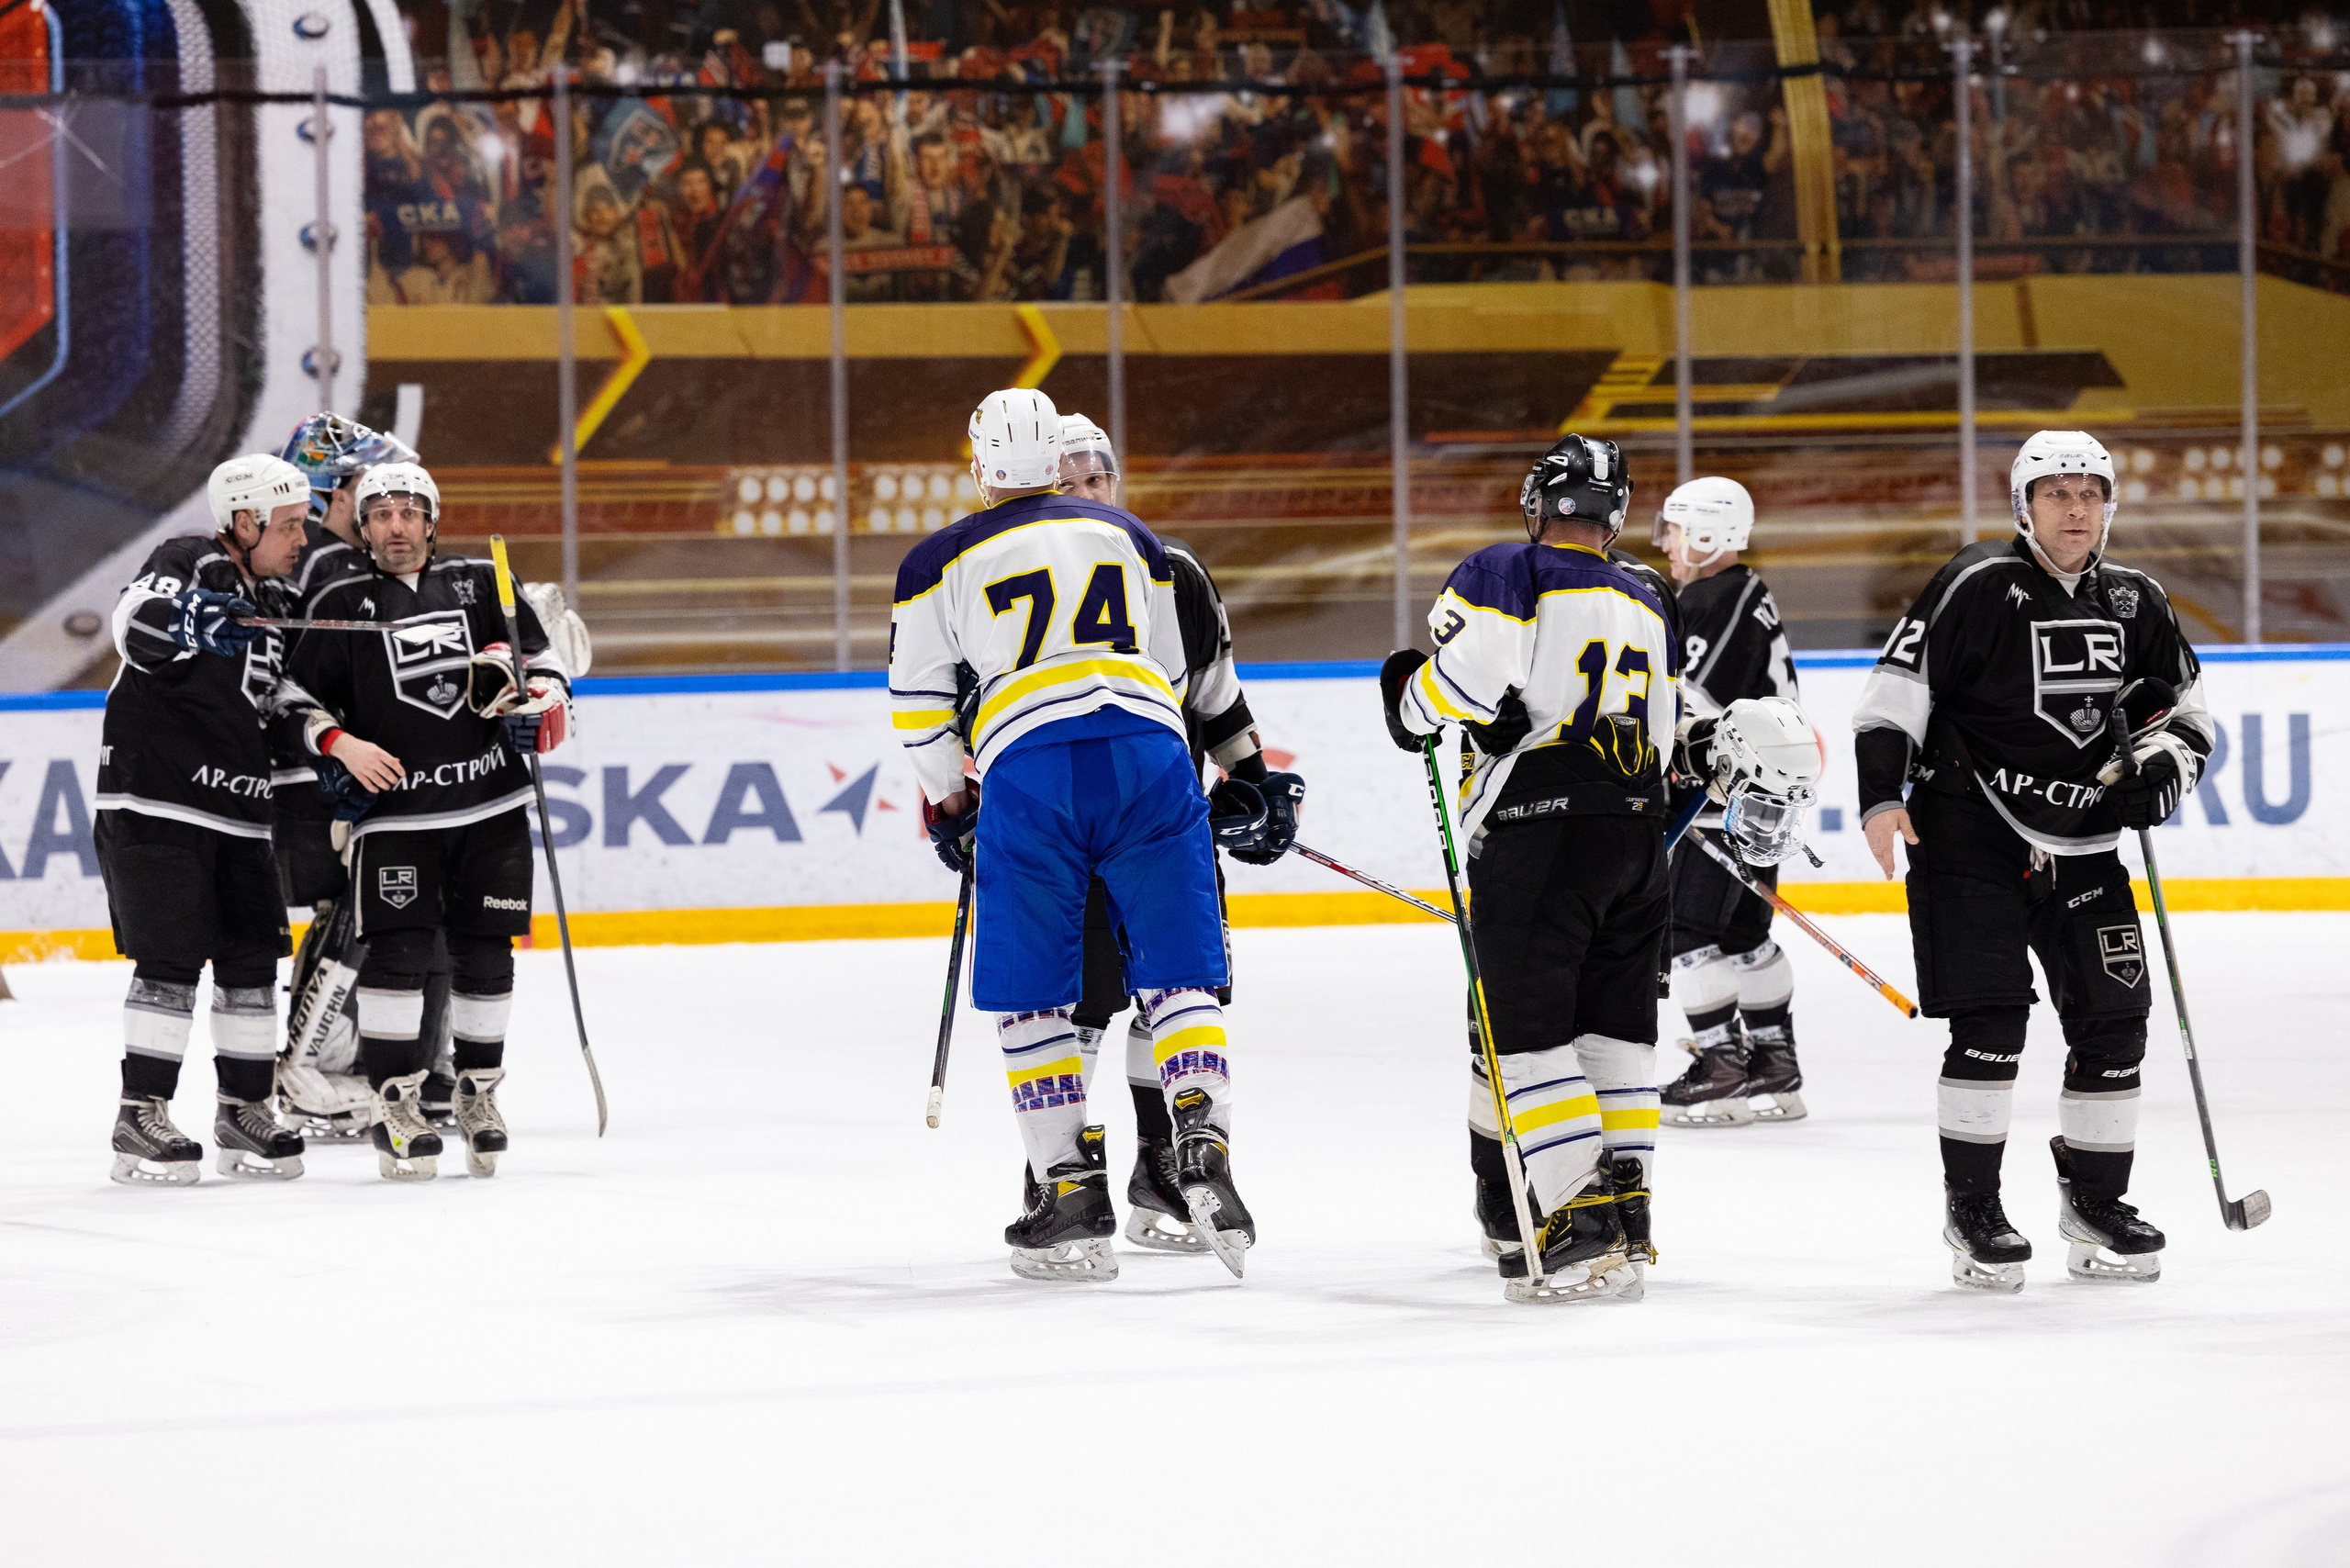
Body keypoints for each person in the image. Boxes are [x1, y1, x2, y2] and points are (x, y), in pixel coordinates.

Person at [889, 389, 1262, 1282]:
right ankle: (1197, 1142)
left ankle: (1068, 1189)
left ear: (979, 467)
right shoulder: (1131, 536)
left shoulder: (937, 558)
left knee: (1035, 995)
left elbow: (917, 710)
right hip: (1148, 751)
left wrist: (952, 800)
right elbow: (1171, 670)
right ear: (1058, 463)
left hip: (1034, 764)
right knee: (1180, 974)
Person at [1854, 430, 2212, 1291]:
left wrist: (2161, 775)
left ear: (2110, 504)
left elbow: (2191, 719)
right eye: (2056, 492)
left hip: (2086, 842)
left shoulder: (2139, 600)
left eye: (2090, 492)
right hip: (1969, 832)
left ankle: (2095, 1201)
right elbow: (1889, 700)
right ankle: (1974, 1208)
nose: (2075, 508)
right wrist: (1881, 798)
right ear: (2023, 504)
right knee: (1988, 1027)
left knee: (2115, 1025)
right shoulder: (1976, 582)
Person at [1381, 432, 1681, 1305]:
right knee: (1617, 1036)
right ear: (1616, 513)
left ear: (1536, 501)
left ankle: (1573, 1223)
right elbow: (1663, 735)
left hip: (1541, 829)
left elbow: (1467, 683)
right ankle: (1626, 1216)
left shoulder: (1506, 568)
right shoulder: (1653, 596)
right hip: (1636, 832)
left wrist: (1411, 698)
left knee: (1526, 1036)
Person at [1050, 412, 1306, 1255]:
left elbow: (1217, 697)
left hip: (1164, 827)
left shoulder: (1174, 571)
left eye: (1100, 480)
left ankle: (1160, 1170)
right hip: (1066, 833)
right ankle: (1058, 1174)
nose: (1090, 496)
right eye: (1071, 482)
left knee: (1181, 994)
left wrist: (1254, 780)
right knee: (1080, 1007)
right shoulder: (1014, 575)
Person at [280, 462, 571, 1182]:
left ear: (432, 521)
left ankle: (477, 1096)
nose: (397, 527)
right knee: (398, 959)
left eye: (410, 512)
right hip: (397, 818)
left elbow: (546, 660)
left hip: (490, 806)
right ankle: (397, 1104)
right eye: (381, 515)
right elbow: (288, 694)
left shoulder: (481, 582)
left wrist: (540, 701)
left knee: (486, 953)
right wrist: (338, 742)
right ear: (364, 526)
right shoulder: (340, 598)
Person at [97, 454, 314, 1185]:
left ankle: (243, 1109)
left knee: (253, 962)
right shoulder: (187, 560)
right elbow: (132, 624)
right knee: (170, 958)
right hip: (157, 796)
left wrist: (328, 739)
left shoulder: (279, 599)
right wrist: (196, 618)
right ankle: (141, 1113)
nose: (300, 539)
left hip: (242, 808)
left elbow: (273, 693)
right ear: (243, 522)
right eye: (286, 526)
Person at [271, 413, 432, 1139]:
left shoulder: (311, 562)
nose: (386, 515)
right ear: (337, 495)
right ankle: (311, 1067)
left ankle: (333, 1062)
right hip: (319, 768)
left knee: (351, 910)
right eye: (371, 493)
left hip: (315, 764)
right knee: (354, 911)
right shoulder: (332, 566)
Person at [1650, 477, 1808, 1129]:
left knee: (1686, 932)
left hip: (1716, 797)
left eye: (1677, 530)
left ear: (1711, 533)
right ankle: (1774, 1061)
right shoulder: (1747, 592)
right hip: (1762, 798)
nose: (1666, 545)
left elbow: (1690, 703)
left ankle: (1722, 1065)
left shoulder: (1712, 597)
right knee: (1744, 935)